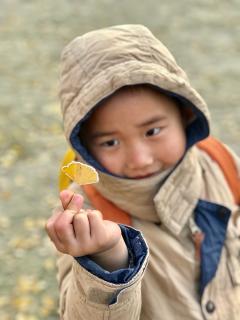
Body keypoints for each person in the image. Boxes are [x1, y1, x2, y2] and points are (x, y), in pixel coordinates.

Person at [45, 24, 240, 320]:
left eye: (152, 131)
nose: (139, 159)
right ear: (85, 147)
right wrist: (107, 259)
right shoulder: (85, 215)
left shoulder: (219, 161)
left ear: (186, 114)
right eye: (110, 142)